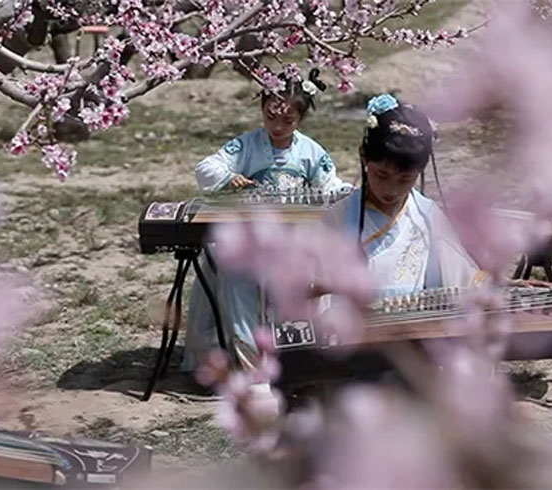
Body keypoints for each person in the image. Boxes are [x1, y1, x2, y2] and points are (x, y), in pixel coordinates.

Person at [182, 69, 352, 372]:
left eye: (288, 121)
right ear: (262, 109)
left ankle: (295, 358)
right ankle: (249, 362)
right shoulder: (245, 145)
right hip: (249, 242)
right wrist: (228, 176)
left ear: (300, 119)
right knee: (235, 281)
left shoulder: (311, 152)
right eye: (271, 117)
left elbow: (330, 185)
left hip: (293, 241)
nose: (278, 126)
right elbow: (206, 167)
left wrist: (346, 192)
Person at [323, 93, 483, 295]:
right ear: (363, 156)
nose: (391, 189)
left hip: (416, 323)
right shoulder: (337, 218)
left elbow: (462, 275)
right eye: (382, 174)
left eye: (405, 179)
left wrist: (495, 287)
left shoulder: (427, 214)